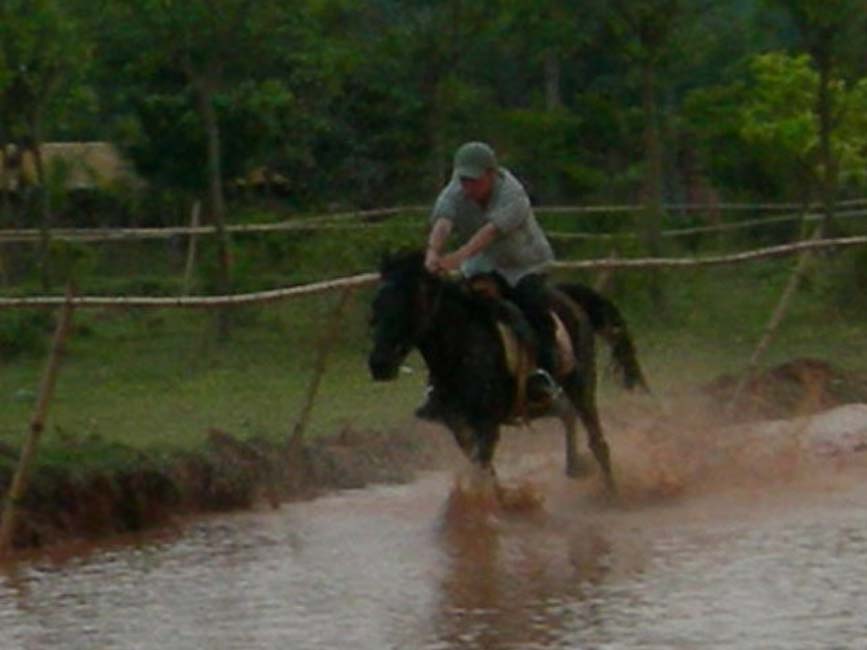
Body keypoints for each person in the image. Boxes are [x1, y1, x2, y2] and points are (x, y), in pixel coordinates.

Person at [418, 141, 558, 419]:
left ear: (492, 174)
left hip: (522, 264)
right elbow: (444, 220)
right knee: (455, 311)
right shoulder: (456, 189)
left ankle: (541, 372)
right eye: (464, 179)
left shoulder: (513, 194)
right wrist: (433, 253)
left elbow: (490, 232)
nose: (468, 186)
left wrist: (457, 257)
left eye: (474, 180)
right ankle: (441, 382)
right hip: (482, 265)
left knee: (533, 307)